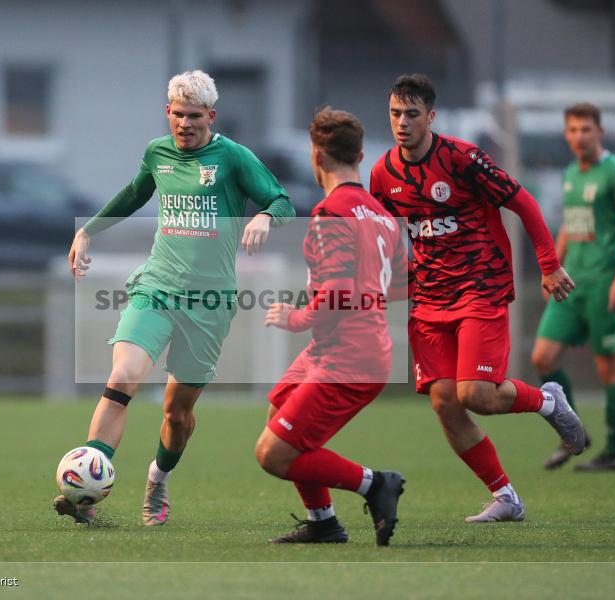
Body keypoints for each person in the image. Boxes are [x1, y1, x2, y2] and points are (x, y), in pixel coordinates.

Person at [56, 70, 295, 526]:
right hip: (157, 286)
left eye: (195, 117)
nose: (185, 125)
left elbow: (282, 200)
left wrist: (265, 216)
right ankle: (85, 492)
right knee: (123, 374)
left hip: (209, 303)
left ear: (211, 116)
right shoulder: (157, 152)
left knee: (178, 413)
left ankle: (157, 479)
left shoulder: (234, 158)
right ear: (168, 111)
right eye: (178, 115)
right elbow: (132, 194)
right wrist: (87, 230)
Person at [369, 74, 585, 523]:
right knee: (446, 401)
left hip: (479, 288)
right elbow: (386, 241)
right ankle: (506, 496)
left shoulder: (462, 159)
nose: (402, 123)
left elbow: (522, 201)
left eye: (411, 114)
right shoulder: (383, 174)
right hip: (428, 299)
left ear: (431, 116)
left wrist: (548, 263)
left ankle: (548, 402)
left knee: (477, 394)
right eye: (394, 113)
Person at [256, 107, 407, 546]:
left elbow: (339, 290)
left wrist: (298, 317)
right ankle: (323, 521)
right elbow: (404, 281)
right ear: (361, 156)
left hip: (348, 356)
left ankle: (376, 484)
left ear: (316, 157)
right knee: (278, 409)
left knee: (272, 454)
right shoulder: (380, 214)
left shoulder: (329, 212)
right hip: (349, 348)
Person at [531, 102, 615, 471]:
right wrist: (553, 265)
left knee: (610, 367)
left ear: (600, 132)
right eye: (573, 130)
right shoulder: (570, 175)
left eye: (586, 130)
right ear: (566, 134)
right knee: (542, 358)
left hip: (604, 286)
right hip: (570, 284)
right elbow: (569, 224)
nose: (579, 136)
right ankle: (575, 431)